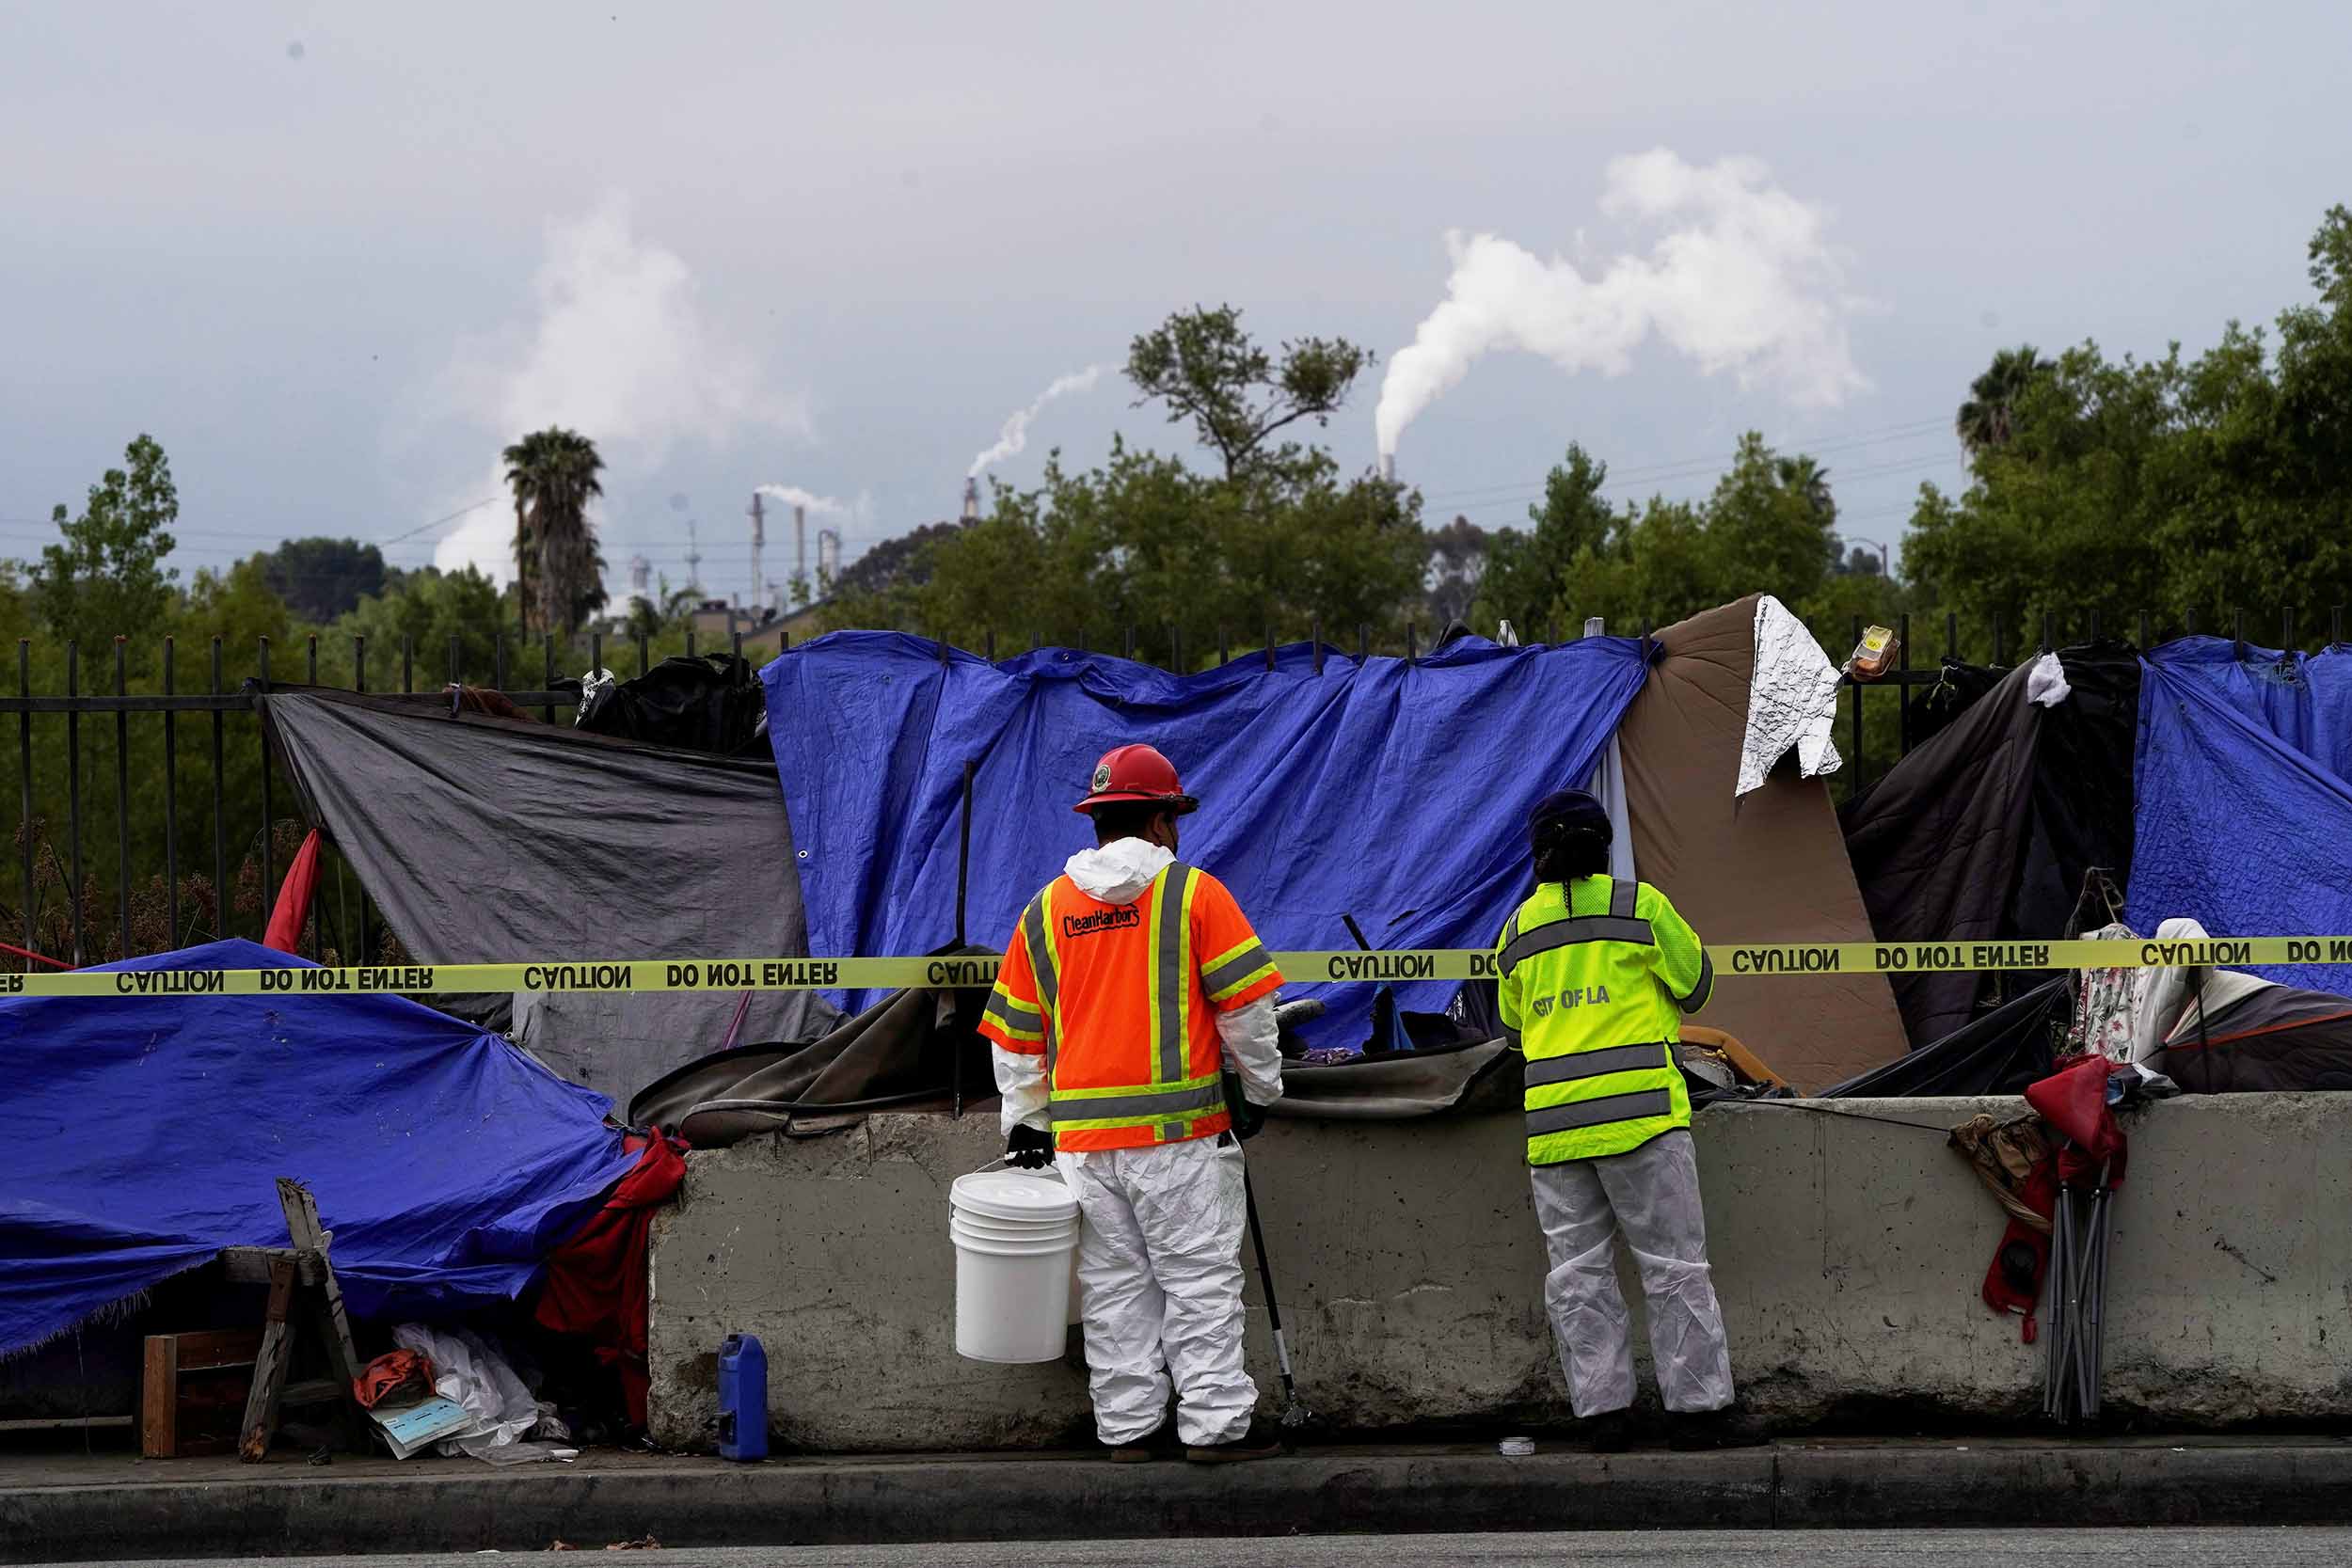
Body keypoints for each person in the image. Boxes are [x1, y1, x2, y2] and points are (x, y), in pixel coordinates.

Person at [977, 743, 1288, 1463]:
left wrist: (1027, 1122)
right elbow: (1248, 1013)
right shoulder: (1194, 893)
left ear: (1097, 822)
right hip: (1179, 1137)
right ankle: (1213, 1429)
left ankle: (1127, 1430)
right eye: (1173, 816)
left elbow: (1016, 1042)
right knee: (1199, 1280)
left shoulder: (1045, 909)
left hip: (1086, 1149)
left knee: (1115, 1291)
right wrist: (1263, 1088)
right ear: (1159, 822)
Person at [1494, 788, 1765, 1451]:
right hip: (1643, 1121)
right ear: (1605, 845)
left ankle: (1604, 1416)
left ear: (1537, 855)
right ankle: (1698, 1412)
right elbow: (1696, 985)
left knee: (1577, 1273)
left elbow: (1510, 1029)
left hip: (1557, 1134)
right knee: (1674, 1266)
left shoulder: (1517, 930)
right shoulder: (1639, 906)